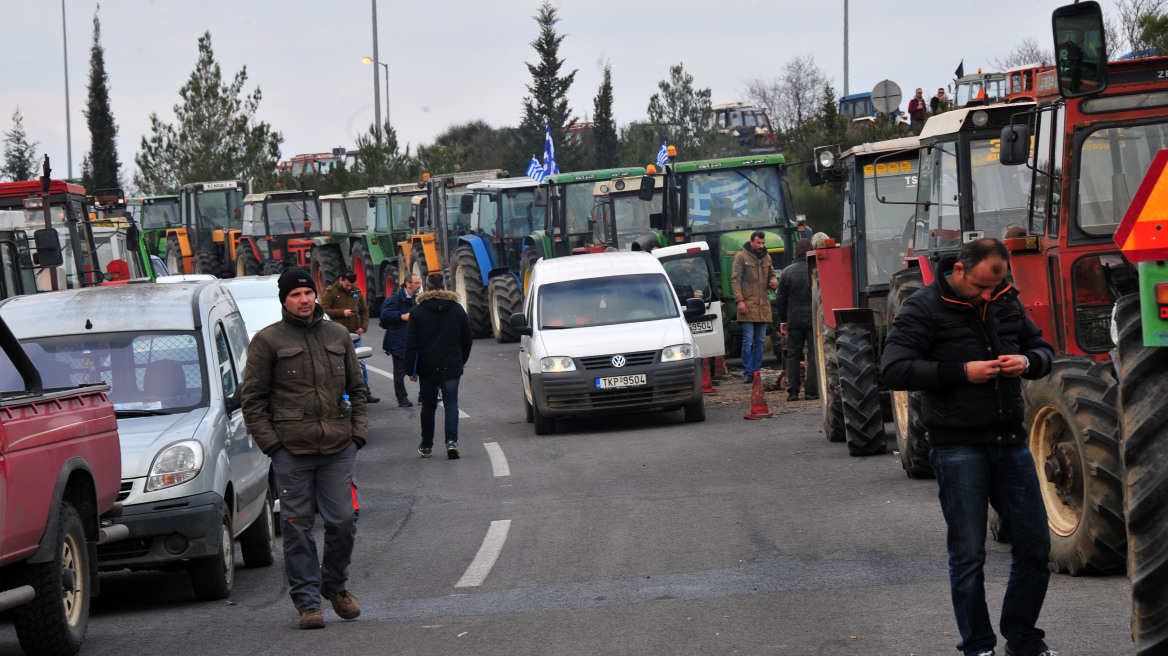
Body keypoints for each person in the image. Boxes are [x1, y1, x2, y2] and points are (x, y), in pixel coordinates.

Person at [882, 239, 1056, 656]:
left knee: (1035, 550)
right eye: (979, 287)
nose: (986, 296)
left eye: (993, 288)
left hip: (1010, 443)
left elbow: (1045, 350)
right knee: (968, 556)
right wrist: (961, 371)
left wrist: (1028, 363)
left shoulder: (1005, 300)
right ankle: (978, 645)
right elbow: (893, 368)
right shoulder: (923, 308)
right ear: (958, 269)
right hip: (958, 446)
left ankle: (1024, 639)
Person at [241, 268, 367, 630]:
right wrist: (274, 446)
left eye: (308, 293)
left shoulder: (338, 335)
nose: (304, 300)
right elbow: (253, 401)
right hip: (291, 451)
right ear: (284, 300)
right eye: (295, 294)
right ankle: (308, 603)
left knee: (343, 520)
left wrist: (357, 435)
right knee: (297, 527)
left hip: (338, 446)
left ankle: (335, 585)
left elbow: (357, 390)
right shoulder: (268, 341)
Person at [404, 273, 473, 459]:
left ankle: (426, 445)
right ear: (444, 287)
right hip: (451, 365)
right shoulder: (457, 309)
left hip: (427, 367)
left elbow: (411, 343)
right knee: (451, 403)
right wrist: (462, 359)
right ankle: (451, 442)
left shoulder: (418, 312)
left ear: (426, 288)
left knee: (428, 406)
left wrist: (410, 369)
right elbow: (467, 338)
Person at [321, 271, 379, 403]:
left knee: (361, 364)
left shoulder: (357, 291)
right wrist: (342, 312)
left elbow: (364, 310)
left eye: (351, 285)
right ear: (341, 280)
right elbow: (324, 310)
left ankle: (365, 392)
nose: (349, 288)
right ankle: (342, 394)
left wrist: (363, 327)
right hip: (338, 335)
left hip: (355, 334)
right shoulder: (331, 292)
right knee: (340, 365)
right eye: (347, 285)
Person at [731, 231, 778, 383]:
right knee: (748, 340)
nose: (761, 246)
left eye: (763, 243)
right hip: (748, 305)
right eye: (758, 243)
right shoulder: (741, 257)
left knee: (760, 340)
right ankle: (748, 371)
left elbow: (772, 274)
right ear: (751, 242)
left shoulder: (767, 257)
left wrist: (773, 282)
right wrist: (740, 301)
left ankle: (756, 371)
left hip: (763, 305)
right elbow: (735, 280)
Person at [774, 238, 817, 402]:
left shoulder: (787, 272)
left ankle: (793, 392)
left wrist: (783, 320)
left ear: (796, 252)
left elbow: (780, 299)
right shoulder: (816, 270)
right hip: (813, 320)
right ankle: (812, 392)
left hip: (793, 320)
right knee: (813, 356)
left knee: (793, 356)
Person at [381, 273, 421, 407]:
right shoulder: (395, 299)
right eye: (417, 283)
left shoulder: (417, 300)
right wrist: (401, 316)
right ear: (408, 284)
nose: (419, 286)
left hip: (415, 341)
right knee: (399, 373)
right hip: (398, 342)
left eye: (420, 283)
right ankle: (402, 398)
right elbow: (385, 315)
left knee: (423, 368)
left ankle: (423, 395)